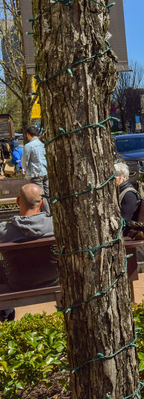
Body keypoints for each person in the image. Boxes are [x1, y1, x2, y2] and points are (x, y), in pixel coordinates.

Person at [0, 184, 54, 322]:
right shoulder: (55, 226)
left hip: (16, 285)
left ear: (18, 201)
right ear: (42, 202)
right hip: (54, 281)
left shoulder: (4, 232)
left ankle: (6, 316)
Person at [22, 126, 50, 214]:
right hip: (45, 172)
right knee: (47, 193)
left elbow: (25, 161)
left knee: (40, 196)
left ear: (28, 134)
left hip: (35, 173)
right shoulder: (42, 144)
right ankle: (53, 212)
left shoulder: (28, 146)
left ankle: (47, 214)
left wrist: (25, 170)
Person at [114, 163, 140, 228]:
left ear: (124, 177)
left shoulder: (129, 195)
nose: (112, 179)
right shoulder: (118, 190)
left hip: (125, 232)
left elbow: (125, 221)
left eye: (115, 176)